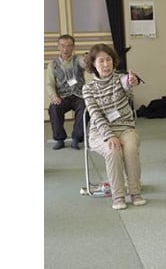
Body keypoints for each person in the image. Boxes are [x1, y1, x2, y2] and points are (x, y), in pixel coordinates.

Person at [82, 43, 146, 210]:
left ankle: (135, 192)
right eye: (101, 61)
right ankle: (118, 196)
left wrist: (132, 80)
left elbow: (128, 83)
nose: (106, 64)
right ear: (94, 65)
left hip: (125, 128)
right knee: (113, 150)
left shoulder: (120, 79)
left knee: (130, 148)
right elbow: (95, 116)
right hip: (100, 132)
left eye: (108, 59)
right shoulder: (87, 89)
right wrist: (109, 135)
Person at [46, 34, 86, 150]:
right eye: (62, 46)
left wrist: (87, 59)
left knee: (84, 106)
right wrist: (54, 96)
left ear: (73, 47)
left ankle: (76, 139)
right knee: (54, 108)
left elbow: (85, 63)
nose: (66, 49)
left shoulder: (78, 60)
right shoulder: (52, 65)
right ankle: (59, 139)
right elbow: (49, 84)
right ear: (58, 47)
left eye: (69, 46)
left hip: (78, 95)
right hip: (62, 96)